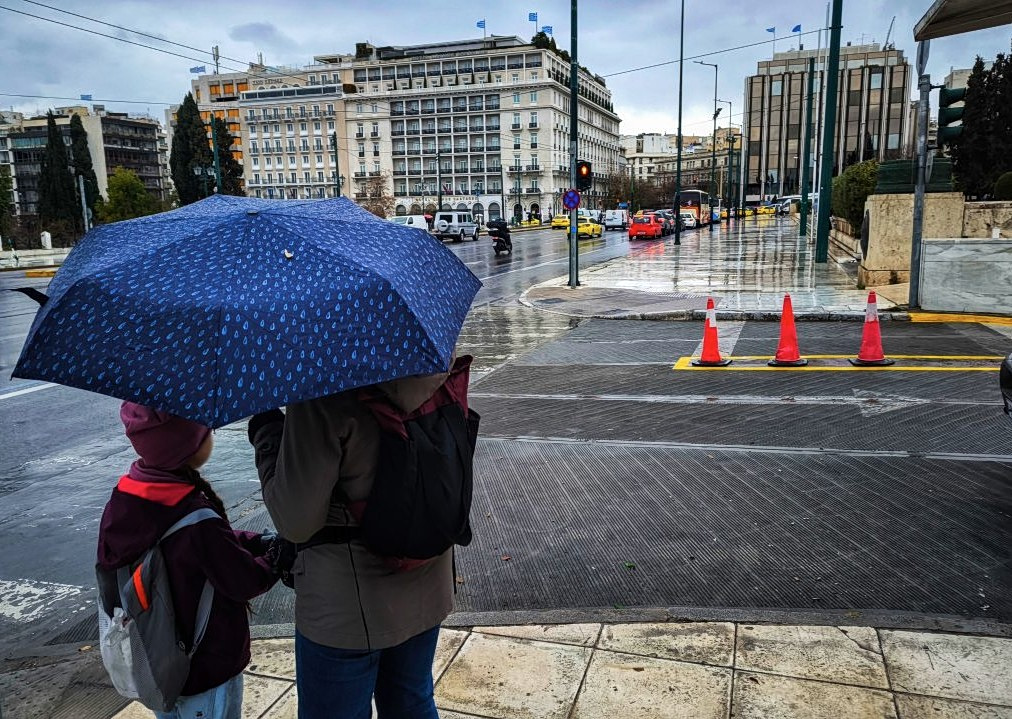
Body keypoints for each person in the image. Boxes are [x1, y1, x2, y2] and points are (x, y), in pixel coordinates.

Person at [247, 365, 461, 719]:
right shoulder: (430, 361)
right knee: (411, 699)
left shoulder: (320, 388)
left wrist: (268, 435)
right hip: (427, 578)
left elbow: (295, 521)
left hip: (346, 606)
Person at [97, 403, 278, 719]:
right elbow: (243, 579)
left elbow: (205, 545)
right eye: (206, 429)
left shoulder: (127, 497)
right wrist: (278, 558)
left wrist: (255, 541)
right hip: (208, 668)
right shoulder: (195, 518)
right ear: (186, 446)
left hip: (161, 663)